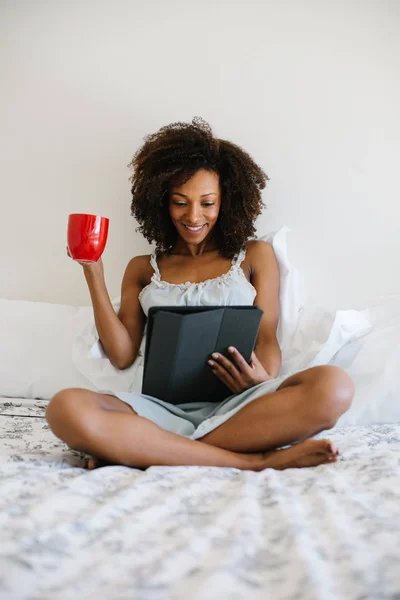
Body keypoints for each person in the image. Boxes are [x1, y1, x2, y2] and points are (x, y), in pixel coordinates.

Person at [46, 117, 354, 472]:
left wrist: (261, 379)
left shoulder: (255, 256)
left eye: (207, 203)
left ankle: (142, 449)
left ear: (227, 202)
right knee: (64, 408)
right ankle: (254, 461)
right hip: (158, 410)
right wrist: (93, 272)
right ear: (162, 201)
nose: (194, 216)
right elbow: (120, 355)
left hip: (243, 406)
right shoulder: (142, 268)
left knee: (335, 386)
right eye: (180, 202)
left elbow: (266, 337)